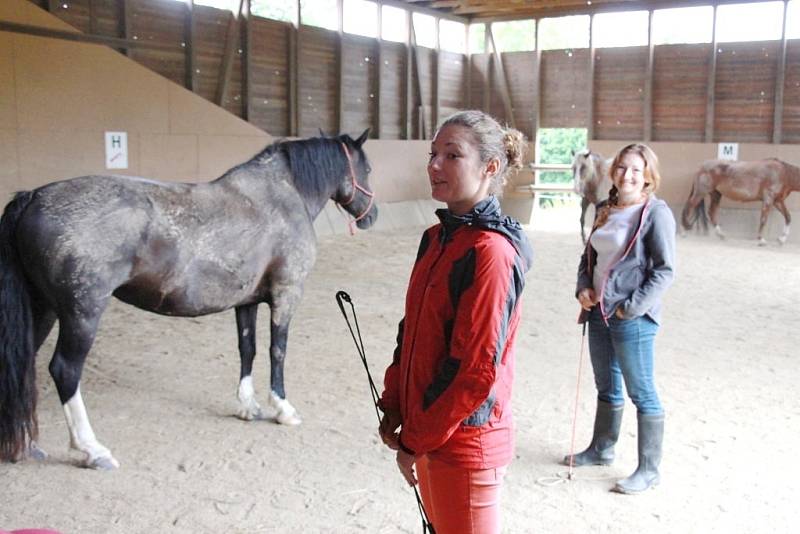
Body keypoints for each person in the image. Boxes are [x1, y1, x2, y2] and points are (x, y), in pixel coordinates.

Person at [377, 110, 533, 533]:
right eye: (432, 154)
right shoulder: (436, 238)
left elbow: (474, 372)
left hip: (463, 443)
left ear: (491, 167)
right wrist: (395, 402)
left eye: (452, 155)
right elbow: (411, 332)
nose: (434, 165)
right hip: (429, 430)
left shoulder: (491, 252)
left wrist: (415, 439)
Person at [563, 143, 676, 494]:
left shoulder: (656, 214)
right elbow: (589, 259)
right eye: (623, 168)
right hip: (597, 311)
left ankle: (649, 469)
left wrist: (633, 306)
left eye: (637, 170)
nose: (628, 175)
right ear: (614, 172)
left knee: (642, 392)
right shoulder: (604, 208)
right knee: (606, 386)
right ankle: (601, 448)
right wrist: (583, 286)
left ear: (648, 177)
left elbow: (664, 271)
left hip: (631, 317)